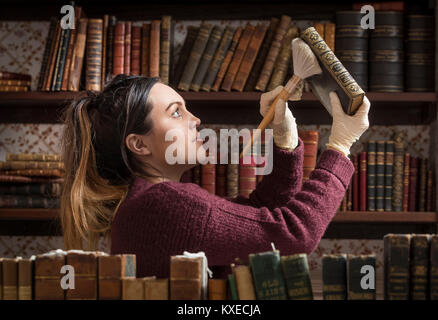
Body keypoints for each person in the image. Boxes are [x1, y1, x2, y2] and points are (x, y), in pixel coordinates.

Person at [60, 74, 370, 279]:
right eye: (176, 112)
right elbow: (294, 234)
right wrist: (340, 147)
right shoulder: (168, 202)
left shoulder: (150, 201)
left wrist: (284, 142)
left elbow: (258, 215)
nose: (196, 120)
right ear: (139, 144)